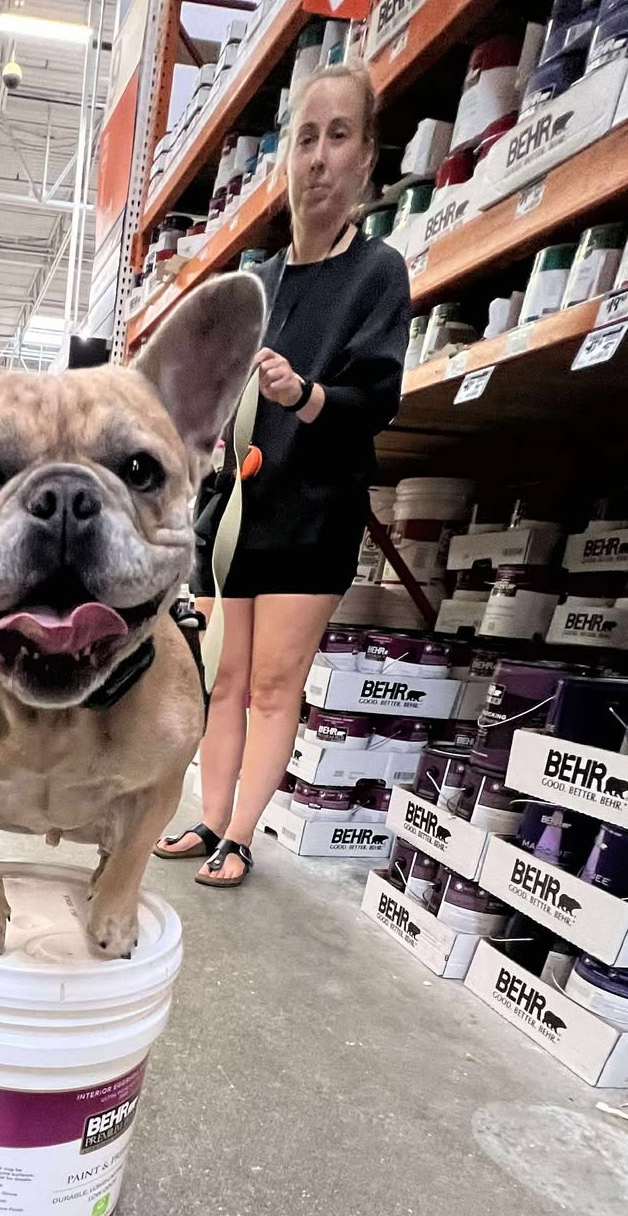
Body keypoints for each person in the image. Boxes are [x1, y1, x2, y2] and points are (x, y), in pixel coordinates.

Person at [153, 62, 411, 887]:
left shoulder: (376, 275)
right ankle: (209, 817)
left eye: (338, 136)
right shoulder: (256, 282)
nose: (318, 157)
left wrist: (303, 397)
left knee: (271, 685)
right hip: (232, 516)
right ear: (285, 157)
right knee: (217, 678)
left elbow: (376, 397)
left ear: (367, 158)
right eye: (305, 137)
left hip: (312, 512)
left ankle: (240, 833)